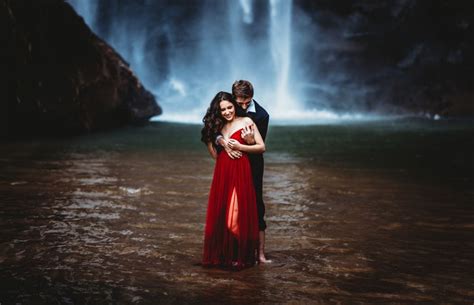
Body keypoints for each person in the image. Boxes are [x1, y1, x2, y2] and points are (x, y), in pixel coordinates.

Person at [201, 91, 266, 269]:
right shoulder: (219, 127)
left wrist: (240, 145)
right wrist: (216, 140)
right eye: (223, 110)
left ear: (234, 105)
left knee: (235, 217)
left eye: (230, 107)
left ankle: (244, 255)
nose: (228, 112)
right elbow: (215, 156)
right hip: (223, 172)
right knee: (223, 215)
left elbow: (262, 147)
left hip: (241, 172)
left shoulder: (246, 121)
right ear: (218, 111)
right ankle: (231, 256)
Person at [216, 80, 271, 263]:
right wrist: (220, 140)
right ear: (234, 99)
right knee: (231, 207)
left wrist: (247, 142)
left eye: (247, 102)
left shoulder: (262, 115)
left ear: (252, 96)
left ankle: (260, 254)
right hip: (232, 165)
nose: (244, 106)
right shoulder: (229, 108)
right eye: (240, 103)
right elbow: (212, 127)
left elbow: (260, 145)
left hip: (253, 166)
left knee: (257, 205)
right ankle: (235, 250)